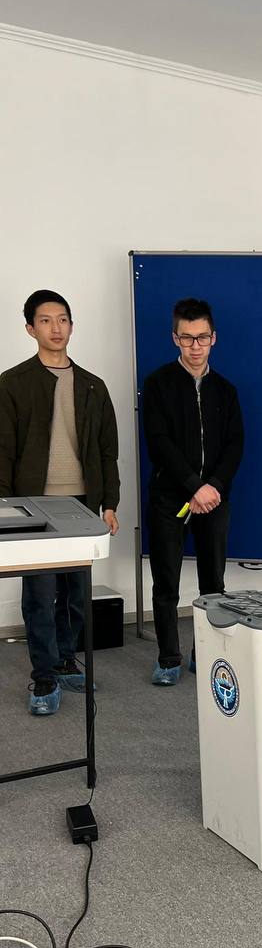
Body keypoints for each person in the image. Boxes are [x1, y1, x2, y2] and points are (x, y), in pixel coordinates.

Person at [0, 290, 120, 715]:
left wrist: (109, 503)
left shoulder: (93, 385)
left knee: (75, 591)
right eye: (46, 320)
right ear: (30, 328)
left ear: (71, 325)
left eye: (63, 319)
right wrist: (5, 509)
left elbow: (107, 451)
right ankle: (44, 677)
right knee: (40, 593)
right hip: (33, 504)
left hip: (82, 503)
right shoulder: (13, 383)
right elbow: (3, 451)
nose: (56, 328)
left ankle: (67, 660)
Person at [142, 297, 244, 685]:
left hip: (214, 499)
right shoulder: (157, 384)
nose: (195, 346)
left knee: (213, 583)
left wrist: (212, 486)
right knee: (166, 582)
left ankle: (208, 653)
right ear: (175, 338)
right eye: (187, 338)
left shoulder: (226, 390)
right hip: (171, 498)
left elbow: (235, 444)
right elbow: (159, 443)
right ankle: (169, 658)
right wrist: (193, 486)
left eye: (202, 337)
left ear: (214, 337)